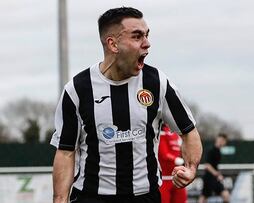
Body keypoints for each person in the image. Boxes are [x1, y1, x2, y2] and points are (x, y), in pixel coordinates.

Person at [50, 7, 202, 203]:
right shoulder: (78, 89)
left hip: (144, 197)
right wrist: (59, 200)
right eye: (137, 36)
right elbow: (65, 152)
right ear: (113, 44)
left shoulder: (157, 82)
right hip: (91, 197)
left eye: (147, 35)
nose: (147, 44)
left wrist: (191, 169)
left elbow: (189, 131)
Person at [158, 124, 187, 203]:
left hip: (177, 177)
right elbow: (163, 154)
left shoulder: (176, 133)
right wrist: (177, 160)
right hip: (164, 178)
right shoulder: (161, 132)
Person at [198, 134, 230, 203]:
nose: (224, 143)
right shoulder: (211, 150)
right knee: (204, 198)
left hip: (214, 178)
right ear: (220, 140)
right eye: (223, 141)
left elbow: (214, 166)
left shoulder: (218, 151)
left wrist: (218, 175)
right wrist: (217, 174)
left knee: (226, 195)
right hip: (209, 178)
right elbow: (207, 165)